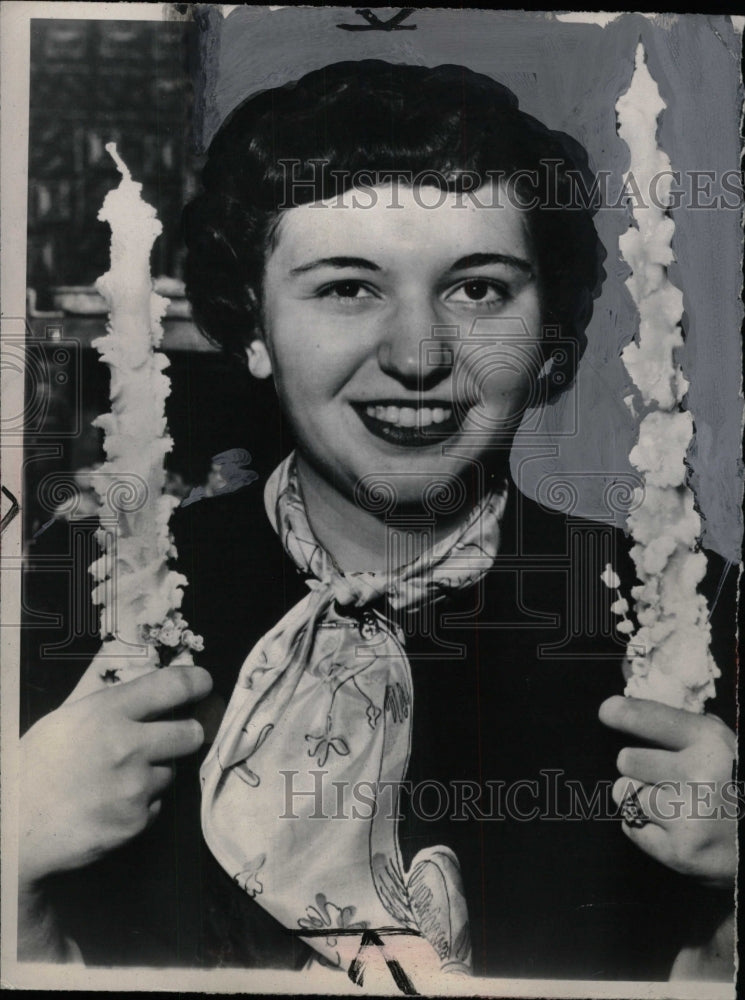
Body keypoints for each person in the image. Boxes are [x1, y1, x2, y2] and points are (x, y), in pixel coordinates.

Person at [18, 61, 736, 984]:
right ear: (251, 326)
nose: (416, 355)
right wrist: (15, 855)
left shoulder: (696, 615)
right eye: (346, 288)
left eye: (477, 290)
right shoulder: (76, 595)